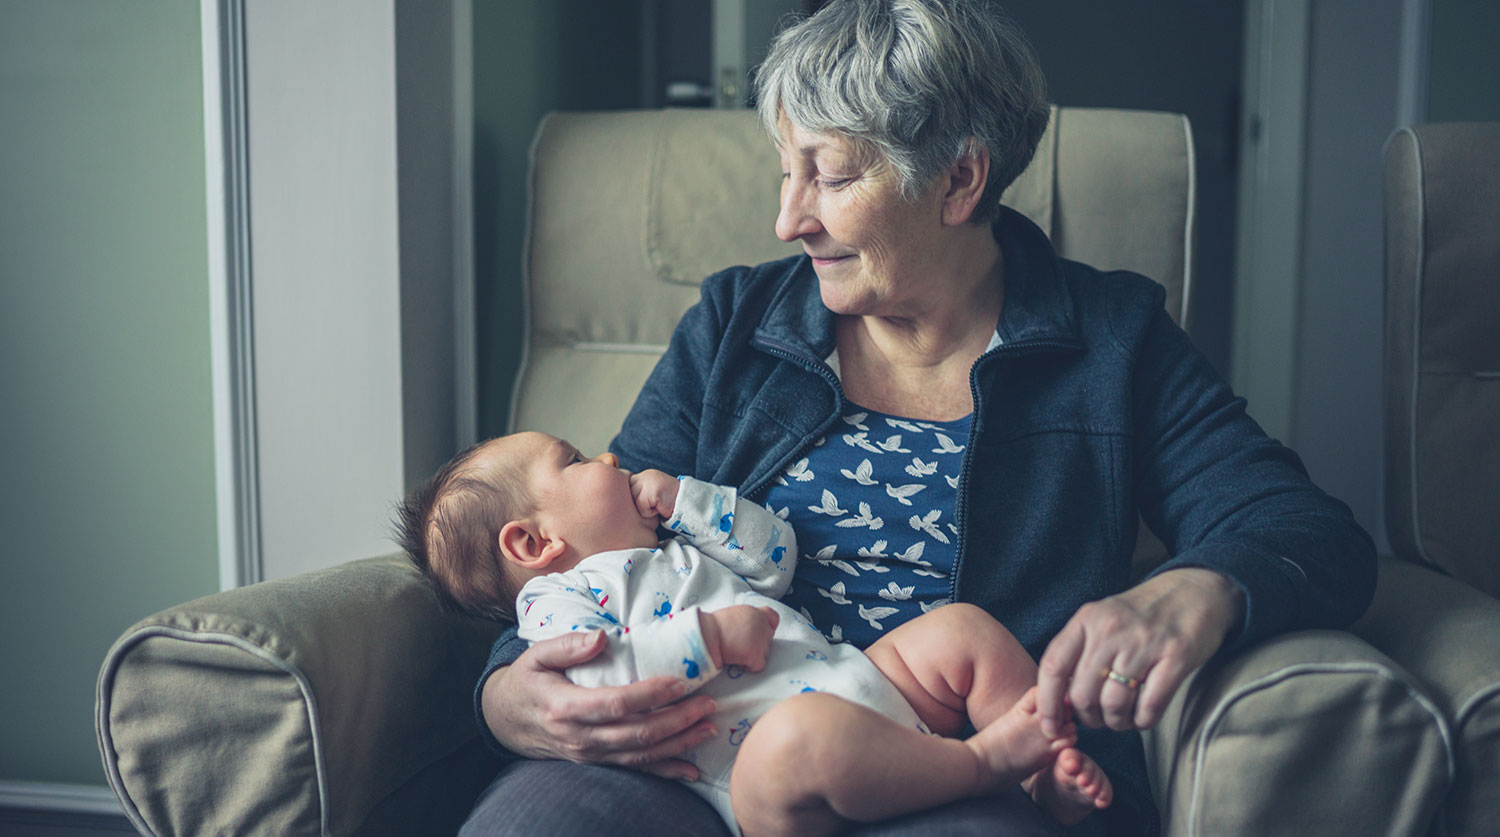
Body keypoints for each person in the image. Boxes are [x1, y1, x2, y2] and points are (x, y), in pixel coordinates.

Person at [465, 0, 1378, 834]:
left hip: (958, 757)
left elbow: (1307, 531)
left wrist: (1198, 589)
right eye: (787, 172)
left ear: (959, 180)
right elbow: (590, 540)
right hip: (697, 749)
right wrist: (510, 689)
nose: (789, 220)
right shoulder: (735, 326)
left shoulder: (1113, 344)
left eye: (829, 178)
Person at [397, 430, 1113, 834]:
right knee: (799, 736)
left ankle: (1044, 772)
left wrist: (689, 501)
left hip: (855, 676)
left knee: (961, 632)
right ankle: (985, 764)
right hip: (766, 776)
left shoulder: (669, 544)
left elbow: (776, 560)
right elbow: (598, 678)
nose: (609, 458)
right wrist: (706, 639)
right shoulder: (561, 601)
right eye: (577, 462)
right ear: (532, 543)